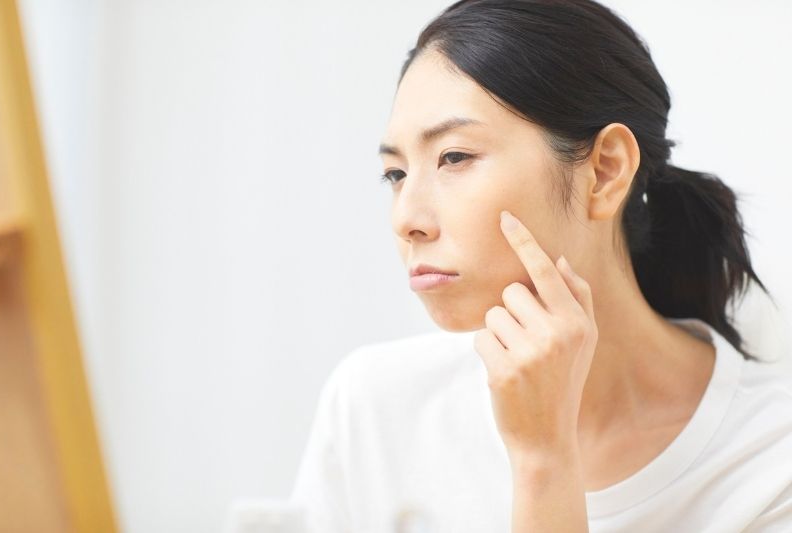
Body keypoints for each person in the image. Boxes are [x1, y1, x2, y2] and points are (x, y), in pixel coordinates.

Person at [288, 1, 792, 531]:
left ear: (605, 170)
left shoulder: (770, 461)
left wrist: (544, 461)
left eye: (454, 157)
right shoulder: (374, 409)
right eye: (395, 174)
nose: (406, 219)